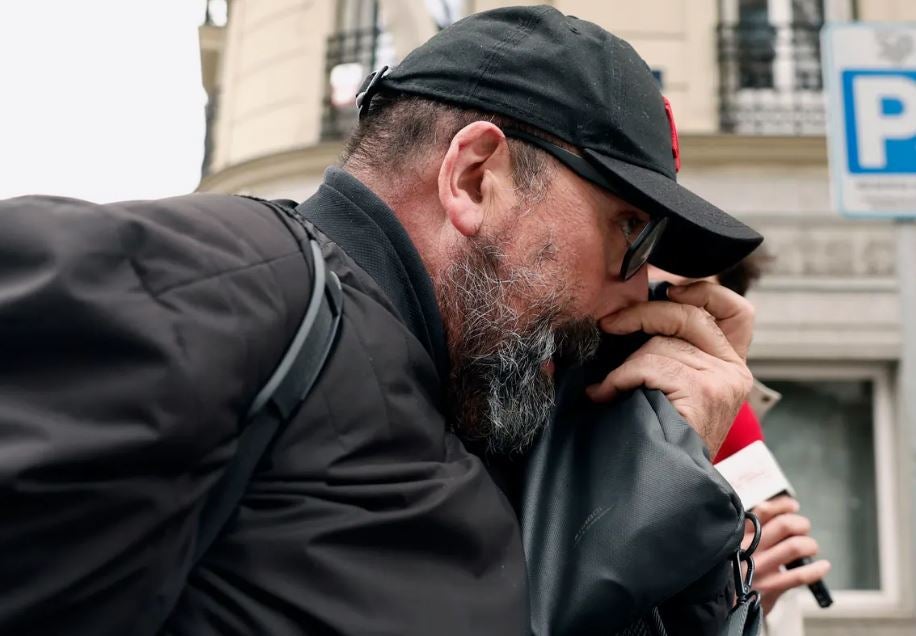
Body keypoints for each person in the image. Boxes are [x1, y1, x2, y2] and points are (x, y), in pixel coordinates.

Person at [0, 6, 763, 635]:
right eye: (628, 234)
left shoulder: (483, 419)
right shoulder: (209, 287)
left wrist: (655, 486)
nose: (636, 293)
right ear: (474, 178)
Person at [650, 250, 831, 622]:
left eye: (686, 304)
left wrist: (744, 609)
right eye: (653, 297)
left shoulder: (742, 440)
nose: (661, 323)